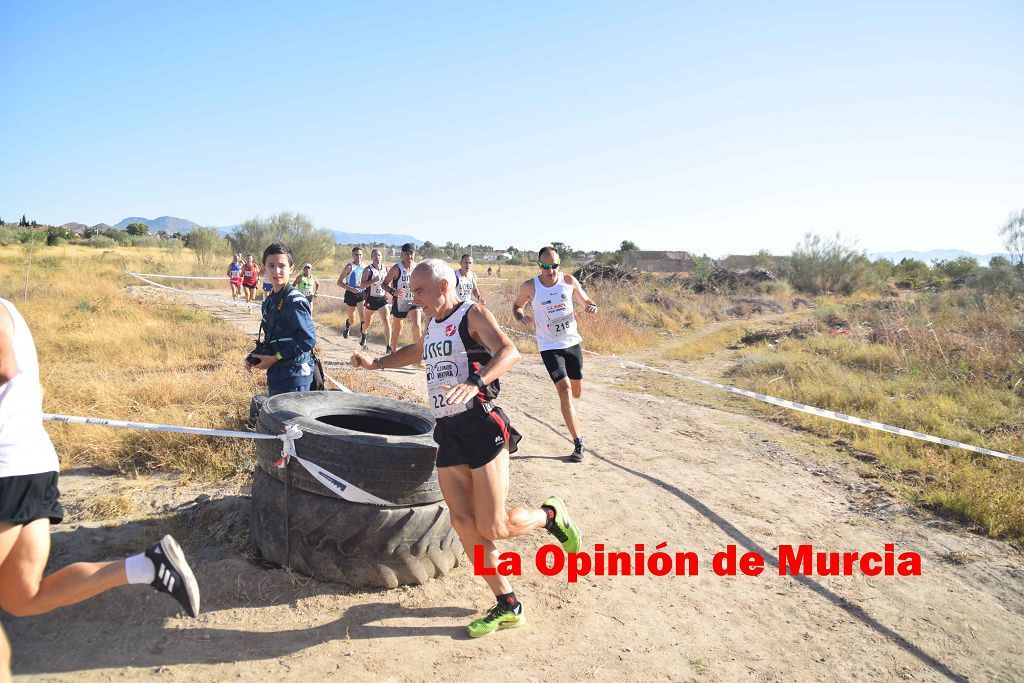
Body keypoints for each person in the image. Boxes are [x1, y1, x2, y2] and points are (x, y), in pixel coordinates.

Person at [350, 259, 580, 638]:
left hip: (482, 426)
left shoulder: (472, 314)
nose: (413, 297)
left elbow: (509, 352)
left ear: (443, 287)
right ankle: (508, 604)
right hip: (449, 431)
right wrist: (377, 363)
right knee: (463, 524)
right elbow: (418, 351)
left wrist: (476, 381)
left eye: (420, 291)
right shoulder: (434, 321)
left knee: (495, 526)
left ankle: (551, 515)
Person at [0, 297, 199, 679]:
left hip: (8, 469)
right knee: (21, 597)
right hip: (30, 462)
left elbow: (4, 365)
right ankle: (145, 566)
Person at [512, 246, 599, 462]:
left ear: (559, 264)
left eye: (554, 266)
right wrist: (520, 316)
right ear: (539, 265)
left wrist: (591, 306)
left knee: (576, 391)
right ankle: (578, 443)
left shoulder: (568, 281)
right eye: (545, 266)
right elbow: (517, 306)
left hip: (571, 343)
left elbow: (586, 300)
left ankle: (571, 404)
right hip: (549, 346)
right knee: (564, 388)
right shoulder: (530, 286)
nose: (550, 270)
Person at [245, 243, 317, 396]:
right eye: (271, 265)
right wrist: (256, 356)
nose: (276, 271)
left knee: (290, 420)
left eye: (282, 266)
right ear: (264, 268)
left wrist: (276, 357)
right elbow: (276, 337)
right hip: (278, 373)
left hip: (295, 375)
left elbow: (307, 340)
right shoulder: (270, 300)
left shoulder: (294, 301)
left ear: (291, 268)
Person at [381, 243, 422, 355]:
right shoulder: (396, 268)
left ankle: (418, 355)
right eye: (407, 254)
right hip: (400, 302)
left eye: (411, 254)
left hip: (414, 301)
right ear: (402, 254)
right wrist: (393, 292)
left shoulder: (417, 267)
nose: (409, 256)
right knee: (397, 329)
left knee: (417, 325)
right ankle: (393, 351)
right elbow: (384, 284)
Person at [358, 249, 390, 348]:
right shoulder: (368, 270)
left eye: (379, 255)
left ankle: (388, 346)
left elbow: (390, 282)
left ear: (381, 257)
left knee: (387, 321)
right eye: (375, 256)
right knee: (367, 324)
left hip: (382, 299)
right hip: (371, 299)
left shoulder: (386, 269)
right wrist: (374, 280)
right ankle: (364, 333)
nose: (377, 257)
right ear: (372, 258)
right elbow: (362, 285)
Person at [336, 247, 366, 339]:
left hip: (361, 294)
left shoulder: (365, 267)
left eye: (360, 254)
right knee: (352, 319)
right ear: (353, 255)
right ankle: (347, 326)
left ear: (362, 255)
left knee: (363, 316)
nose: (358, 256)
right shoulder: (349, 267)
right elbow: (339, 282)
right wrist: (351, 289)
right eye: (356, 254)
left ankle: (363, 337)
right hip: (350, 294)